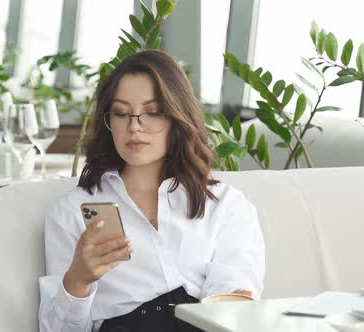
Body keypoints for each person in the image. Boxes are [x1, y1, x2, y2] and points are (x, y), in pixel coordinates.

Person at [38, 49, 265, 332]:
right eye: (121, 114)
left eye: (153, 113)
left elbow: (232, 308)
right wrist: (78, 281)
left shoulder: (226, 206)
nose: (135, 126)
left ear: (177, 117)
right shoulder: (70, 212)